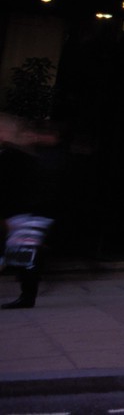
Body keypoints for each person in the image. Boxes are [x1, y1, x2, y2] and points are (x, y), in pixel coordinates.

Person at [0, 116, 51, 309]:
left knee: (23, 256)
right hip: (23, 214)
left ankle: (27, 296)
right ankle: (27, 295)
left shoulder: (14, 156)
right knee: (21, 256)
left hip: (23, 214)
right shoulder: (19, 156)